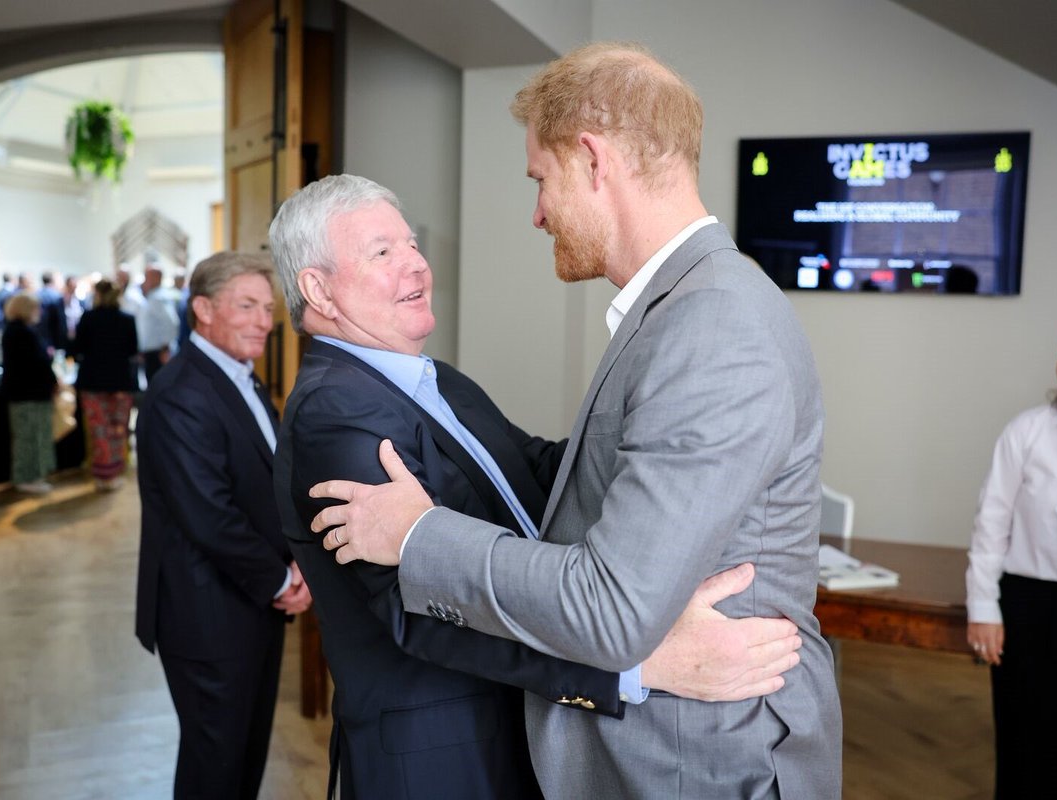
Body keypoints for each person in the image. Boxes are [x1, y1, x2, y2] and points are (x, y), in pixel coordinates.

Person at [310, 42, 841, 798]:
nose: (537, 214)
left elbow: (612, 608)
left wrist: (417, 534)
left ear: (593, 161)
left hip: (697, 763)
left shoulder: (712, 326)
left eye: (540, 180)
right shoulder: (690, 306)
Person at [135, 251, 313, 799]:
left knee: (243, 758)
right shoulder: (181, 391)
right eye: (247, 306)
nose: (264, 321)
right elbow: (208, 515)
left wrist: (296, 561)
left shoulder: (241, 378)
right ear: (203, 310)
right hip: (204, 612)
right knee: (214, 767)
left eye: (267, 308)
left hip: (246, 601)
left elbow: (264, 483)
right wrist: (282, 580)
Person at [965, 309, 1057, 799]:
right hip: (1029, 606)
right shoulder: (1027, 432)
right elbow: (990, 524)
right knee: (1028, 746)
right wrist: (983, 609)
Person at [69, 279, 139, 491]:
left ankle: (103, 473)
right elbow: (132, 349)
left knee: (99, 429)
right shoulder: (127, 319)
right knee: (118, 428)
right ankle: (115, 471)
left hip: (93, 381)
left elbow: (77, 348)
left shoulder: (88, 318)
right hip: (119, 381)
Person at [0, 292, 59, 495]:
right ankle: (26, 477)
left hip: (26, 393)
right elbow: (36, 364)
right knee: (29, 437)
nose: (39, 313)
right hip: (28, 394)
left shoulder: (18, 331)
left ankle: (30, 475)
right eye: (36, 308)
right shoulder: (21, 333)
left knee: (30, 436)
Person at [135, 264, 180, 385]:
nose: (145, 281)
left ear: (156, 278)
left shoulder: (159, 298)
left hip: (157, 352)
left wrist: (165, 348)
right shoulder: (152, 297)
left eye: (147, 277)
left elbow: (171, 323)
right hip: (151, 352)